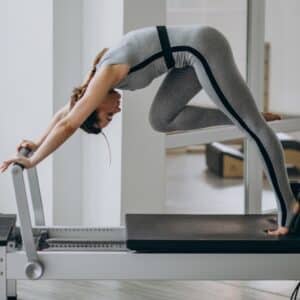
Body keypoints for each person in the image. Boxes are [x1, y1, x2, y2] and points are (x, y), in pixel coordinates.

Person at [0, 25, 298, 236]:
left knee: (255, 130)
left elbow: (69, 122)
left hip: (203, 47)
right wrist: (36, 143)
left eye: (107, 116)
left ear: (92, 106)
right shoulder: (93, 84)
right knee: (160, 119)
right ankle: (242, 114)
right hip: (187, 59)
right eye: (110, 118)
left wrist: (32, 161)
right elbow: (64, 112)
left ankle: (289, 207)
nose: (116, 111)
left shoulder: (105, 75)